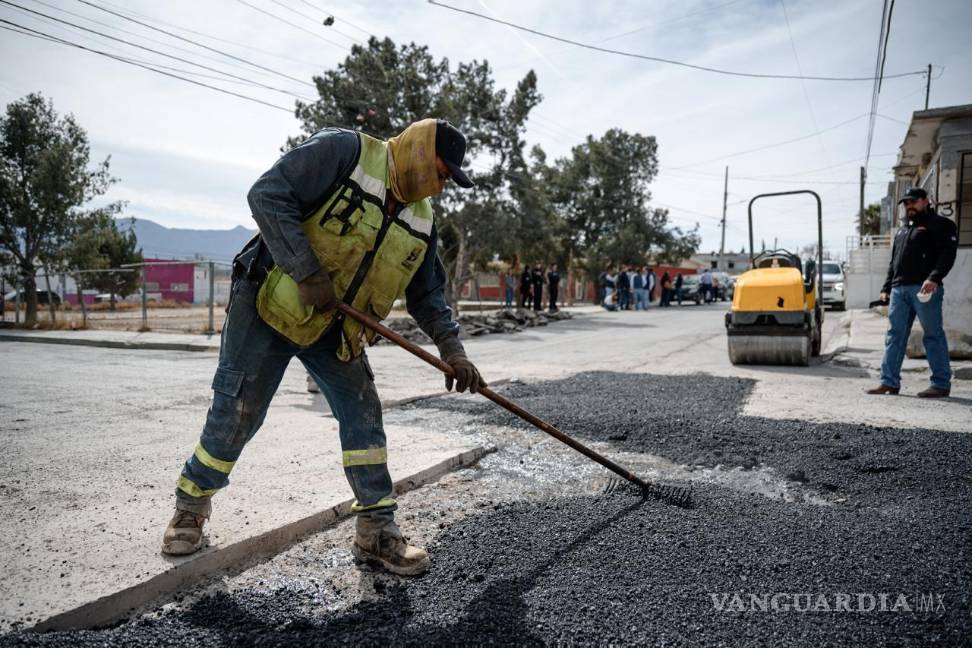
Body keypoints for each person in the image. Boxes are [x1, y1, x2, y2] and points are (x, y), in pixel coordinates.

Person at [161, 119, 485, 577]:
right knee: (238, 410)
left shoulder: (422, 220)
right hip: (268, 301)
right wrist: (307, 271)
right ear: (418, 149)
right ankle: (191, 507)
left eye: (447, 179)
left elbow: (427, 294)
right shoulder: (345, 153)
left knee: (363, 414)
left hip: (336, 325)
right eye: (441, 171)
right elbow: (267, 195)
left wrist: (453, 351)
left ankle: (376, 530)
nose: (441, 184)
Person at [866, 187, 957, 398]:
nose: (909, 206)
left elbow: (947, 255)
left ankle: (941, 384)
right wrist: (886, 288)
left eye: (913, 201)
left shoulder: (941, 225)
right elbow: (894, 262)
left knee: (933, 334)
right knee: (894, 335)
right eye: (906, 203)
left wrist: (934, 278)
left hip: (924, 288)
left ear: (926, 201)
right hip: (899, 290)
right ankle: (889, 382)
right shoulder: (903, 229)